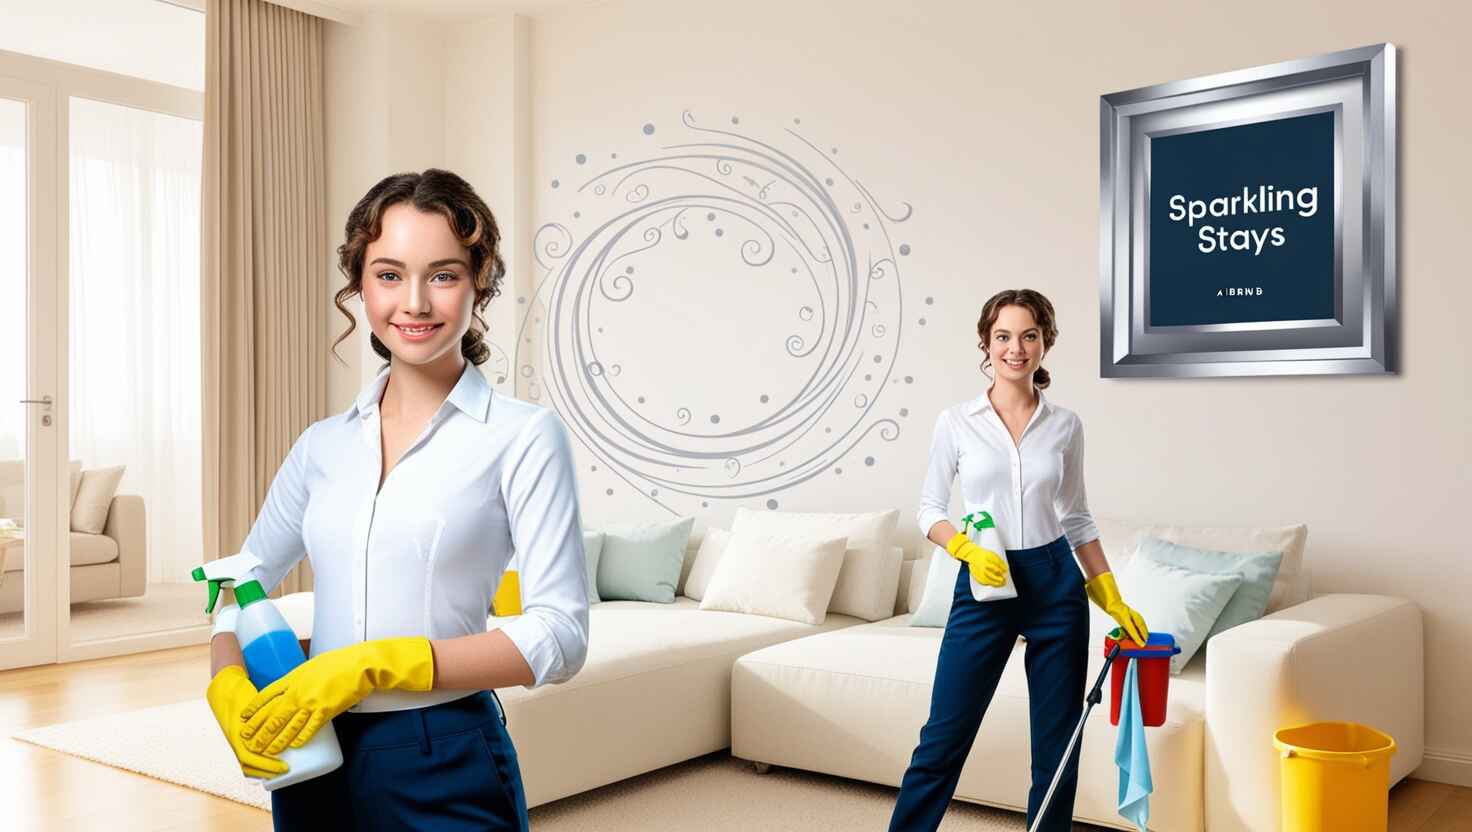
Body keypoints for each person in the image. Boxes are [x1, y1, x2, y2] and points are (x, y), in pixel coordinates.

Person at [203, 169, 590, 831]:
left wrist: (381, 664)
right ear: (359, 287)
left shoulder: (522, 436)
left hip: (443, 754)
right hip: (309, 754)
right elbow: (241, 581)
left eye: (442, 275)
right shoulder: (321, 446)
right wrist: (227, 682)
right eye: (388, 275)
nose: (413, 302)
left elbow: (562, 634)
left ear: (479, 283)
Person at [888, 288, 1148, 832]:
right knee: (944, 734)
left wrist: (1111, 595)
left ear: (1045, 342)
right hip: (985, 584)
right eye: (1003, 336)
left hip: (1056, 584)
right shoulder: (956, 422)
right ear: (986, 343)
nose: (1016, 348)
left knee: (1057, 745)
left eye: (1029, 335)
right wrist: (960, 546)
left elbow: (1077, 518)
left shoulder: (1065, 425)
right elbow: (929, 509)